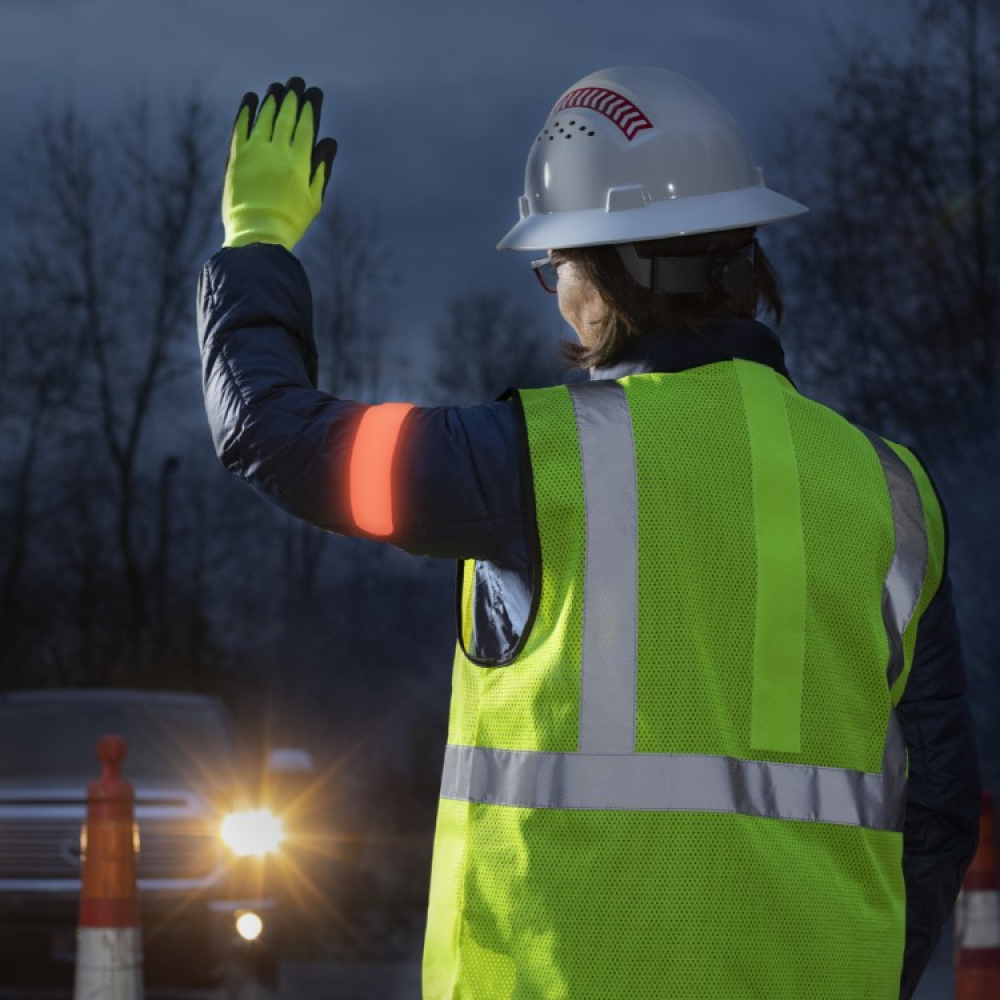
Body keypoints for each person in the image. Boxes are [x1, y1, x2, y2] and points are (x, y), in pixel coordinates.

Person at [198, 68, 981, 1000]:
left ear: (603, 280)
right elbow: (938, 809)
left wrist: (253, 245)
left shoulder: (533, 461)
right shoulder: (892, 490)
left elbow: (272, 433)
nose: (559, 292)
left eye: (557, 266)